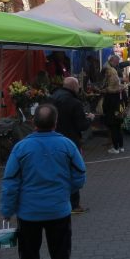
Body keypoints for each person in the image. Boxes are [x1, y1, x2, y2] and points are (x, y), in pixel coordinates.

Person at [0, 104, 85, 259]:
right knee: (60, 255)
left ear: (33, 122)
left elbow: (10, 182)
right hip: (58, 211)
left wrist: (6, 210)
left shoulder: (21, 148)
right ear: (55, 123)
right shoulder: (67, 145)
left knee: (28, 257)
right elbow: (79, 175)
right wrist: (65, 191)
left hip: (28, 213)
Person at [50, 77, 94, 214]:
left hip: (52, 140)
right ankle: (74, 204)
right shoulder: (74, 102)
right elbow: (81, 125)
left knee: (57, 171)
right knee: (73, 171)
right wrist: (89, 119)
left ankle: (58, 200)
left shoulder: (53, 97)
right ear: (74, 87)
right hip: (70, 141)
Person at [101, 55, 124, 154]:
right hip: (119, 107)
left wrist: (104, 90)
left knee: (114, 128)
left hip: (112, 108)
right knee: (118, 127)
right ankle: (121, 147)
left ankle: (115, 148)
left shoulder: (110, 71)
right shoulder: (120, 89)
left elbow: (106, 104)